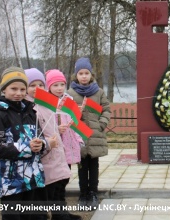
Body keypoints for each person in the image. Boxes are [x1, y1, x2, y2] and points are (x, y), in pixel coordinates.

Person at [0, 67, 51, 220]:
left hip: (34, 180)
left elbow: (40, 137)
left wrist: (42, 144)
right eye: (13, 88)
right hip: (11, 183)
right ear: (4, 89)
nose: (18, 93)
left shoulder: (31, 112)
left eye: (22, 89)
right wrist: (27, 148)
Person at [25, 68, 81, 220]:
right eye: (32, 85)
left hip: (56, 150)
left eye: (40, 85)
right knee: (50, 188)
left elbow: (52, 125)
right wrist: (47, 142)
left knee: (60, 183)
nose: (37, 89)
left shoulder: (45, 104)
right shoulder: (29, 107)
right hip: (45, 152)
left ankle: (61, 213)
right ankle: (58, 214)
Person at [68, 57, 111, 209]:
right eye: (81, 73)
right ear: (76, 75)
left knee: (93, 166)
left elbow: (106, 109)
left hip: (95, 136)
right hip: (78, 135)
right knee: (81, 167)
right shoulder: (70, 93)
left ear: (91, 74)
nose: (84, 76)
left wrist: (102, 124)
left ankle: (93, 193)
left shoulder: (98, 92)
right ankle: (83, 193)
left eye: (86, 73)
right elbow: (66, 113)